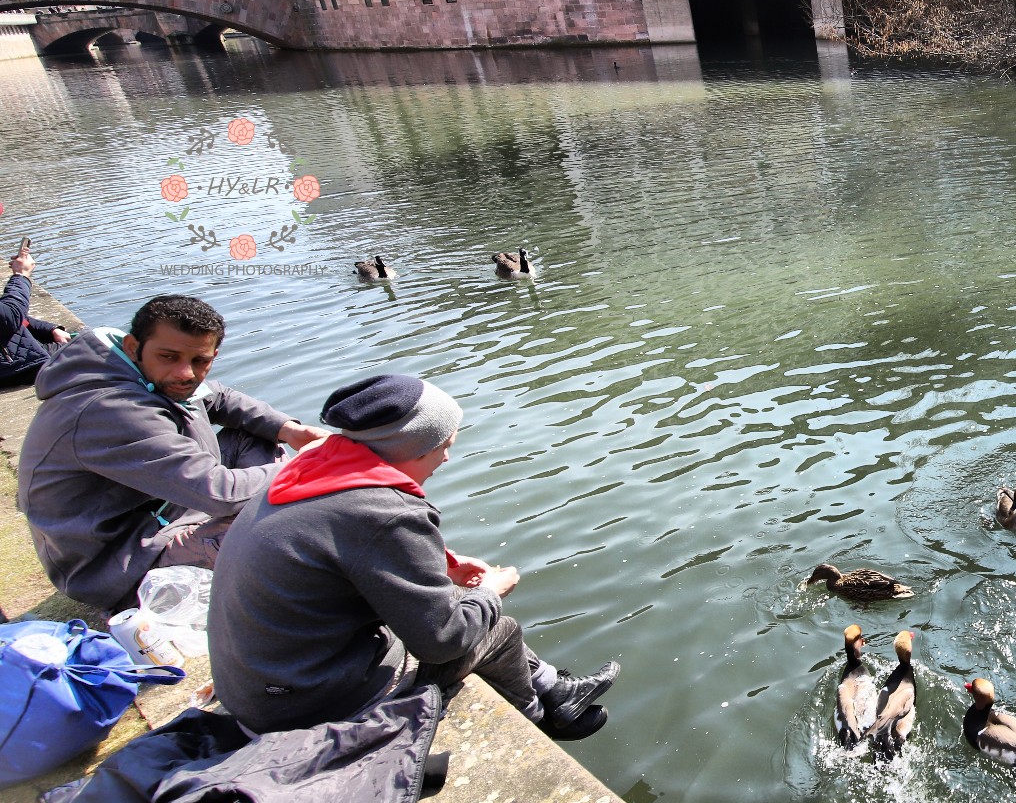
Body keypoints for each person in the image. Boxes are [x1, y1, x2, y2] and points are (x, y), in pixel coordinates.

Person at [208, 374, 617, 740]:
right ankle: (539, 719)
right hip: (304, 706)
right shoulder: (387, 512)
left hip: (256, 685)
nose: (446, 458)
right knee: (495, 627)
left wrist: (443, 561)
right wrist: (492, 590)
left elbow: (343, 541)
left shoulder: (309, 471)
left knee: (453, 598)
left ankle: (559, 693)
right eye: (443, 446)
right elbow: (442, 641)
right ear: (414, 447)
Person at [17, 294, 324, 607]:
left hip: (164, 511)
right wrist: (313, 465)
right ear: (133, 347)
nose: (185, 373)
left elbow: (219, 397)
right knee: (284, 533)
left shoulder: (142, 372)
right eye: (169, 357)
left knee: (257, 440)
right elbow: (218, 492)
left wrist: (291, 430)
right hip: (118, 560)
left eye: (200, 361)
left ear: (213, 355)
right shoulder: (111, 411)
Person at [0, 245, 71, 388]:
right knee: (97, 346)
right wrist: (21, 275)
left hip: (13, 358)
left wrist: (49, 330)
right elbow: (10, 316)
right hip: (14, 368)